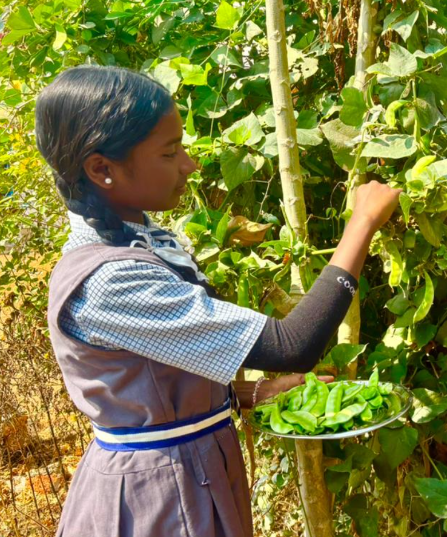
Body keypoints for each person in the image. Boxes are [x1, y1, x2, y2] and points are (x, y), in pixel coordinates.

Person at [35, 65, 400, 537]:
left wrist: (246, 395)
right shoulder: (110, 280)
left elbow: (151, 373)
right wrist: (361, 224)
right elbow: (292, 345)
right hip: (156, 501)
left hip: (193, 473)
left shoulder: (142, 243)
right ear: (101, 168)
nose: (188, 164)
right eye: (170, 152)